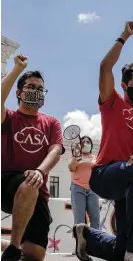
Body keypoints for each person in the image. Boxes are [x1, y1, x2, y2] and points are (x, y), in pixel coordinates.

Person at [72, 21, 133, 261]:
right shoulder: (112, 101)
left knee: (120, 251)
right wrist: (124, 35)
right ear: (124, 85)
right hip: (104, 174)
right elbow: (104, 67)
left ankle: (88, 237)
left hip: (130, 181)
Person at [1, 55, 64, 260]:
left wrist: (40, 171)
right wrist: (17, 70)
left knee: (35, 256)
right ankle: (12, 247)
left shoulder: (51, 122)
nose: (36, 92)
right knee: (29, 182)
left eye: (40, 88)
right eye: (31, 87)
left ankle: (10, 246)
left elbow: (55, 149)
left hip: (37, 190)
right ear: (19, 92)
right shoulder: (8, 117)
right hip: (7, 182)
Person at [68, 136, 100, 229]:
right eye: (83, 142)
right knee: (79, 221)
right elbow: (71, 168)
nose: (86, 143)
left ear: (91, 145)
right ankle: (80, 242)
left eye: (88, 141)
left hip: (93, 189)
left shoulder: (96, 158)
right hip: (78, 188)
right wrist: (75, 154)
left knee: (95, 219)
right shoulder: (75, 156)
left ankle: (95, 243)